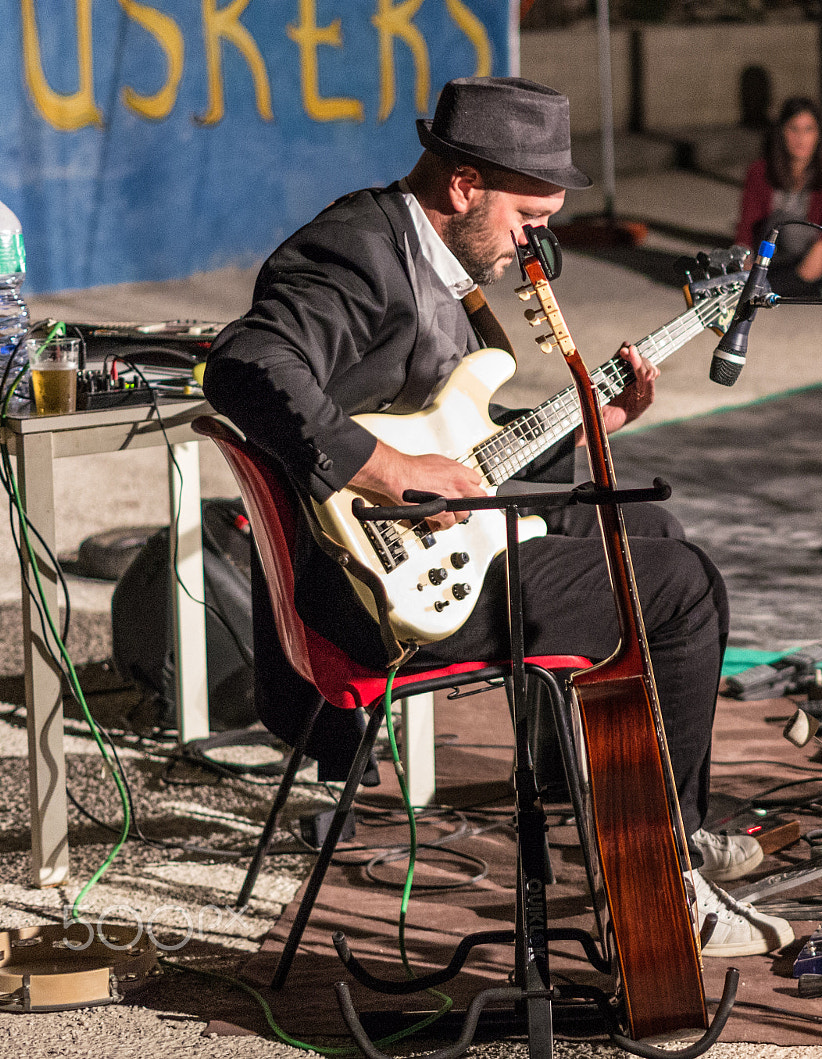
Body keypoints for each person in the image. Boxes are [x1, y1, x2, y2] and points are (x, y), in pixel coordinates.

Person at [202, 77, 791, 959]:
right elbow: (244, 365)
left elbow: (468, 449)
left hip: (423, 548)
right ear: (465, 184)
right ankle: (659, 872)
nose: (535, 243)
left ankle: (601, 812)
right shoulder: (359, 248)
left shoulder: (438, 268)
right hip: (368, 591)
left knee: (651, 534)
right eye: (528, 218)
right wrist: (389, 468)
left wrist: (607, 420)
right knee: (681, 584)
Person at [735, 96, 822, 297]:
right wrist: (744, 254)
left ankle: (812, 283)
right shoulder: (760, 170)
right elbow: (748, 221)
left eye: (808, 130)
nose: (801, 138)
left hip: (813, 248)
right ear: (782, 131)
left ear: (818, 134)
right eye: (794, 129)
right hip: (774, 250)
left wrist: (820, 249)